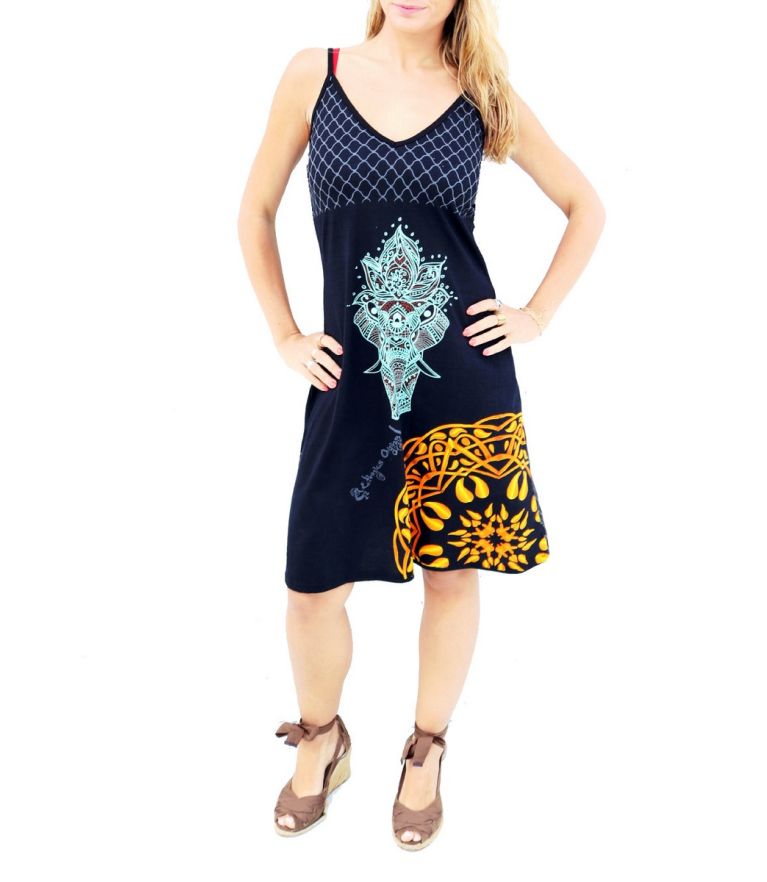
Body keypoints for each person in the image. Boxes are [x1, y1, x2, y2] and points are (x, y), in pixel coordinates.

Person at [237, 0, 605, 850]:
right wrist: (284, 334)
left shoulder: (482, 92)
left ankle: (426, 748)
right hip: (349, 387)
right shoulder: (315, 75)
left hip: (461, 386)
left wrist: (535, 315)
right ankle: (322, 738)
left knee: (451, 572)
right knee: (312, 584)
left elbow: (585, 204)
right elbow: (254, 210)